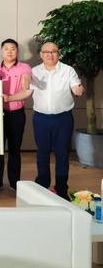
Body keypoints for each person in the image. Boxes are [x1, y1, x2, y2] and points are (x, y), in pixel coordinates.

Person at [8, 42, 83, 200]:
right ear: (41, 54)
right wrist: (9, 98)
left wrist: (78, 89)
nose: (50, 54)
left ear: (58, 53)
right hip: (41, 119)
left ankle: (61, 188)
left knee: (62, 154)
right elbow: (26, 92)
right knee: (42, 153)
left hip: (63, 119)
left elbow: (76, 87)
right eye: (46, 52)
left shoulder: (68, 70)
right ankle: (42, 185)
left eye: (53, 51)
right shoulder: (34, 71)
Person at [0, 39, 31, 194]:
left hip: (16, 114)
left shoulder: (25, 67)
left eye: (13, 48)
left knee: (14, 149)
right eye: (6, 49)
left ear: (17, 51)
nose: (9, 51)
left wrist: (24, 84)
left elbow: (27, 88)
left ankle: (14, 182)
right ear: (1, 51)